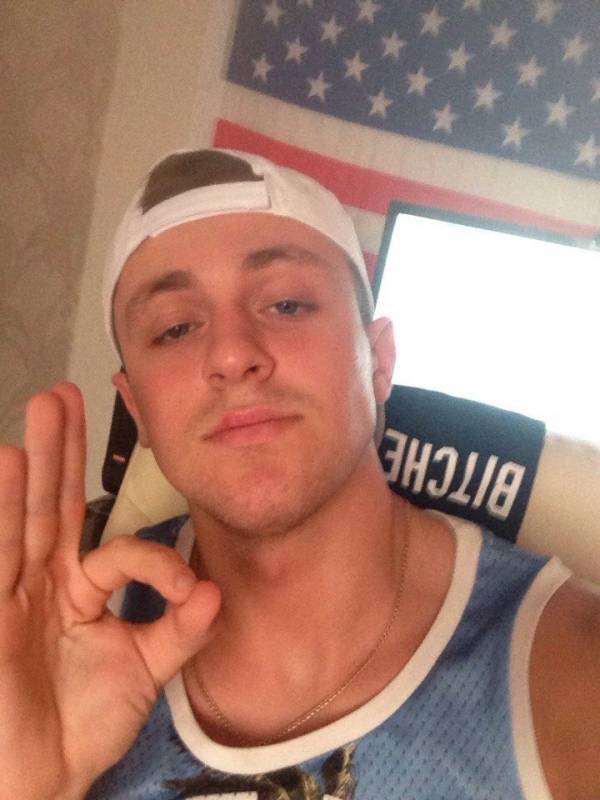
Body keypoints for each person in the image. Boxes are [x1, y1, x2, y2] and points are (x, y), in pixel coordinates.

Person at [0, 148, 598, 800]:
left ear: (378, 361)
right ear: (138, 409)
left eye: (286, 304)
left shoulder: (569, 669)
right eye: (174, 328)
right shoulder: (54, 651)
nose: (232, 353)